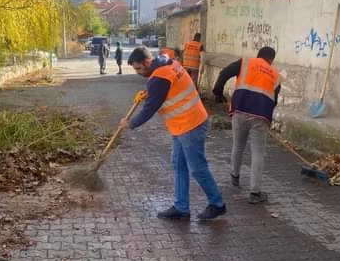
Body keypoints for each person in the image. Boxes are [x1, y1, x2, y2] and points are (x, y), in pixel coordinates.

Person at [119, 46, 226, 221]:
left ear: (147, 62)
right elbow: (167, 90)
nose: (138, 72)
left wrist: (130, 124)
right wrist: (149, 94)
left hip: (191, 125)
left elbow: (149, 110)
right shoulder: (168, 62)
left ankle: (217, 204)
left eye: (138, 68)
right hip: (182, 125)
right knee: (178, 164)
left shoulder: (158, 78)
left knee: (198, 168)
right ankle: (181, 207)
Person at [212, 46, 281, 204]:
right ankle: (255, 193)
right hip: (261, 115)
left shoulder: (245, 62)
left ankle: (235, 177)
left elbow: (224, 73)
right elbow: (274, 101)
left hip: (240, 110)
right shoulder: (275, 74)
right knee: (258, 153)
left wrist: (218, 92)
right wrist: (266, 118)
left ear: (258, 55)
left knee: (238, 145)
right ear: (271, 60)